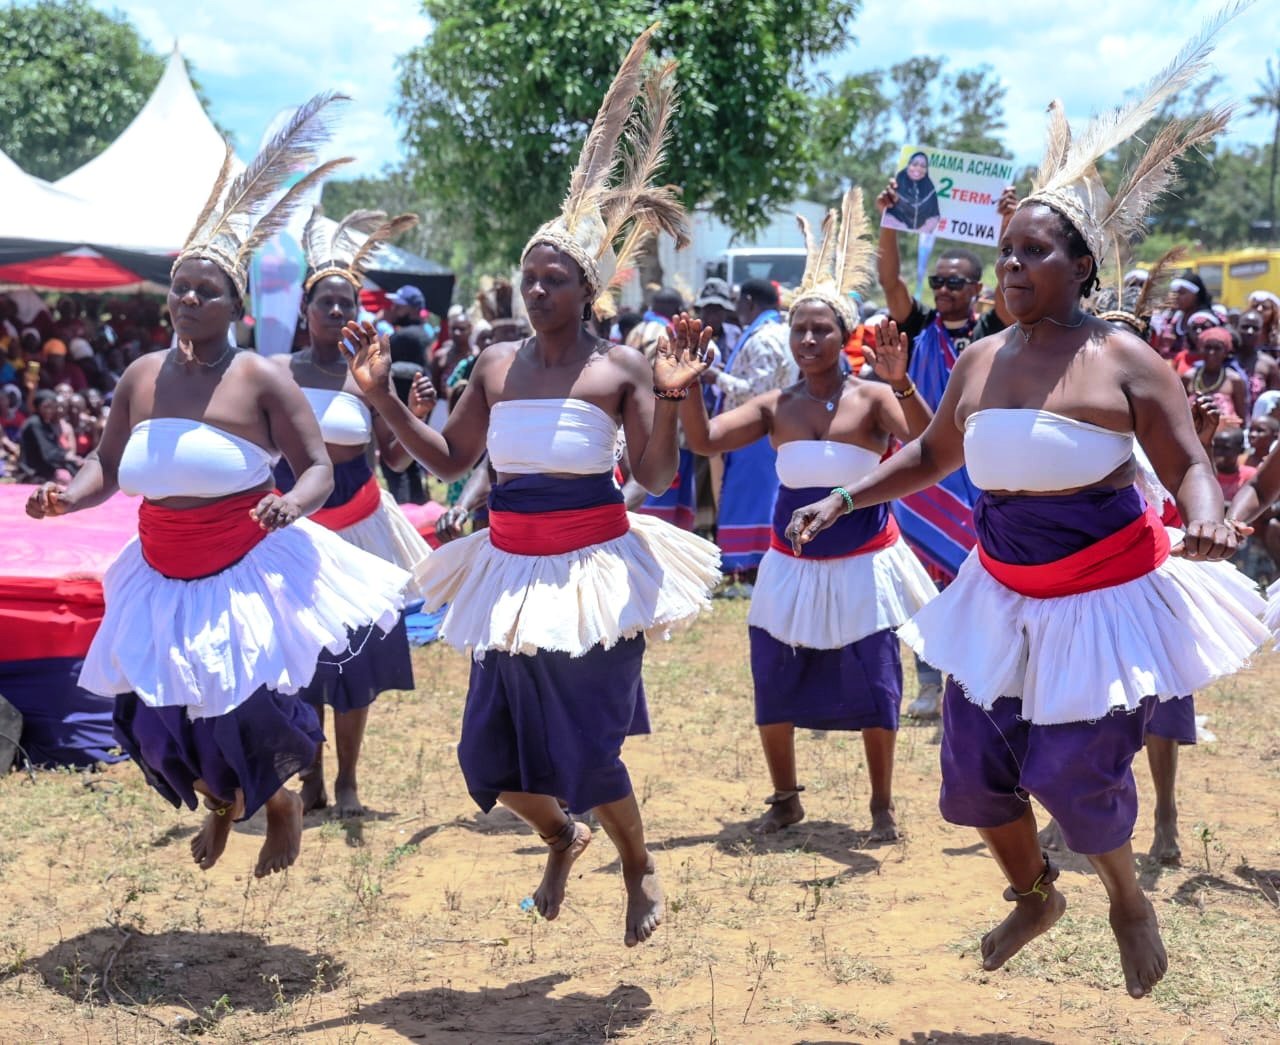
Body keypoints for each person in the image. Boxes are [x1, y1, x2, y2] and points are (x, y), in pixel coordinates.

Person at [786, 41, 1267, 997]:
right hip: (1000, 591)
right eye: (1006, 250)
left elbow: (1186, 472)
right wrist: (843, 495)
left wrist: (1210, 520)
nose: (1010, 265)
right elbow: (929, 458)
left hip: (1103, 595)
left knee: (1070, 771)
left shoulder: (1125, 359)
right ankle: (1037, 893)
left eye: (1033, 251)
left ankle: (1126, 894)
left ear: (1081, 265)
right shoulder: (980, 361)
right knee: (970, 775)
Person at [341, 27, 720, 947]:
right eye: (527, 275)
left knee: (587, 749)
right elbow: (443, 459)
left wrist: (671, 399)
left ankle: (638, 865)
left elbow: (661, 474)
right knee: (490, 759)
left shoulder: (621, 366)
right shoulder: (496, 360)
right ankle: (563, 840)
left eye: (553, 278)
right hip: (509, 569)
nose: (535, 287)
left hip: (594, 569)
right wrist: (381, 398)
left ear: (586, 288)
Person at [24, 93, 411, 879]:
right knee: (153, 713)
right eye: (181, 288)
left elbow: (316, 467)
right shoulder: (139, 375)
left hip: (244, 563)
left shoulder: (260, 376)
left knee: (247, 702)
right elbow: (107, 462)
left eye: (208, 291)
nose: (190, 300)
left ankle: (282, 802)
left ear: (237, 304)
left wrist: (290, 505)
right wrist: (70, 492)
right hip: (158, 567)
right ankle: (223, 802)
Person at [680, 190, 936, 839]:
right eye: (799, 328)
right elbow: (705, 441)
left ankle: (881, 804)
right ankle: (785, 796)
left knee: (877, 678)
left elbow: (931, 444)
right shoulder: (775, 405)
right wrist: (680, 388)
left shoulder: (874, 398)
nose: (809, 338)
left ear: (844, 334)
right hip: (789, 565)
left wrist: (902, 381)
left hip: (864, 561)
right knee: (773, 670)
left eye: (822, 328)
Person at [275, 207, 434, 818]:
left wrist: (405, 406)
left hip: (361, 523)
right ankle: (310, 777)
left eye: (348, 304)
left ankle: (347, 782)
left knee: (358, 656)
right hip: (298, 531)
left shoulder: (369, 373)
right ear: (305, 312)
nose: (339, 313)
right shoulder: (277, 374)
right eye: (327, 304)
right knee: (305, 657)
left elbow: (392, 455)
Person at [876, 180, 1018, 719]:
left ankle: (977, 675)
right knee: (922, 577)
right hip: (926, 466)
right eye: (938, 281)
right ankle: (929, 681)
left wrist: (1008, 227)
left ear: (977, 288)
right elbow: (889, 279)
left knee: (980, 574)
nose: (943, 289)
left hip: (979, 466)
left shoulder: (991, 330)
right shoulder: (917, 329)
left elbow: (1012, 285)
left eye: (954, 282)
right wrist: (890, 219)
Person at [699, 277, 796, 580]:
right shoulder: (777, 332)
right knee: (759, 498)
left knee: (750, 499)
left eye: (739, 301)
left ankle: (748, 565)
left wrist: (716, 378)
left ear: (750, 302)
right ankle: (754, 564)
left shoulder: (765, 337)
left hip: (755, 430)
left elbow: (758, 391)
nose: (735, 308)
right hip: (767, 428)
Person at [383, 284, 432, 504]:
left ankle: (405, 508)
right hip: (408, 408)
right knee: (410, 461)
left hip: (407, 410)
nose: (393, 309)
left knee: (396, 464)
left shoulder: (409, 337)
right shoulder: (415, 333)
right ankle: (415, 507)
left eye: (398, 306)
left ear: (412, 309)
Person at [1183, 326, 1246, 425]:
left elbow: (1242, 417)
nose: (1211, 352)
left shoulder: (1234, 379)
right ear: (1200, 349)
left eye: (1217, 348)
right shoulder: (1188, 377)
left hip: (1225, 436)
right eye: (1207, 347)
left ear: (1226, 352)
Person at [17, 389, 80, 482]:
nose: (49, 410)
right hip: (33, 472)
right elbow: (48, 453)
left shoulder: (46, 423)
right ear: (38, 407)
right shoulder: (34, 423)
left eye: (52, 407)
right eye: (46, 407)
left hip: (43, 469)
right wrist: (66, 456)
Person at [1151, 273, 1212, 359]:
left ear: (1196, 296)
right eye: (1176, 293)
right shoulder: (1173, 319)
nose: (1177, 297)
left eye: (1182, 293)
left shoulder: (1203, 321)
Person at [881, 151, 941, 234]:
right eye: (915, 164)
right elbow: (887, 214)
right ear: (908, 165)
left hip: (920, 235)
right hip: (895, 233)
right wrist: (900, 228)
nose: (918, 169)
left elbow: (935, 216)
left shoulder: (930, 189)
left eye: (923, 166)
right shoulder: (896, 184)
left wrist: (922, 231)